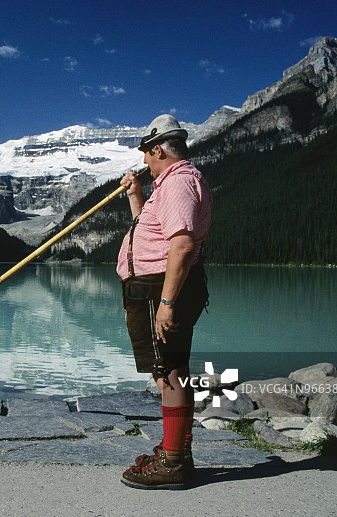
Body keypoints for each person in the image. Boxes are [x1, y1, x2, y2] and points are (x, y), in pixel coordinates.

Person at [116, 114, 212, 490]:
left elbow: (183, 245)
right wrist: (135, 196)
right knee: (166, 369)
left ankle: (173, 462)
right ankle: (176, 452)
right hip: (153, 289)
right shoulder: (170, 185)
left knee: (170, 370)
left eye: (146, 154)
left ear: (158, 149)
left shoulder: (178, 184)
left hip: (160, 291)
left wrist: (168, 302)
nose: (144, 162)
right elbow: (152, 235)